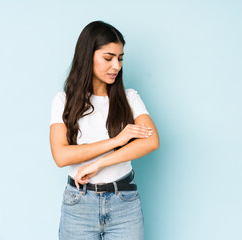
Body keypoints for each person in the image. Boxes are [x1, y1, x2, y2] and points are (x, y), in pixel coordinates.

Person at [49, 21, 160, 240]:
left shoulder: (130, 98)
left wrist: (98, 163)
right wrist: (117, 141)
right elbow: (61, 156)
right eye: (108, 58)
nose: (116, 66)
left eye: (120, 58)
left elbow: (151, 141)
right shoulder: (63, 101)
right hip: (79, 204)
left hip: (124, 203)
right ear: (87, 56)